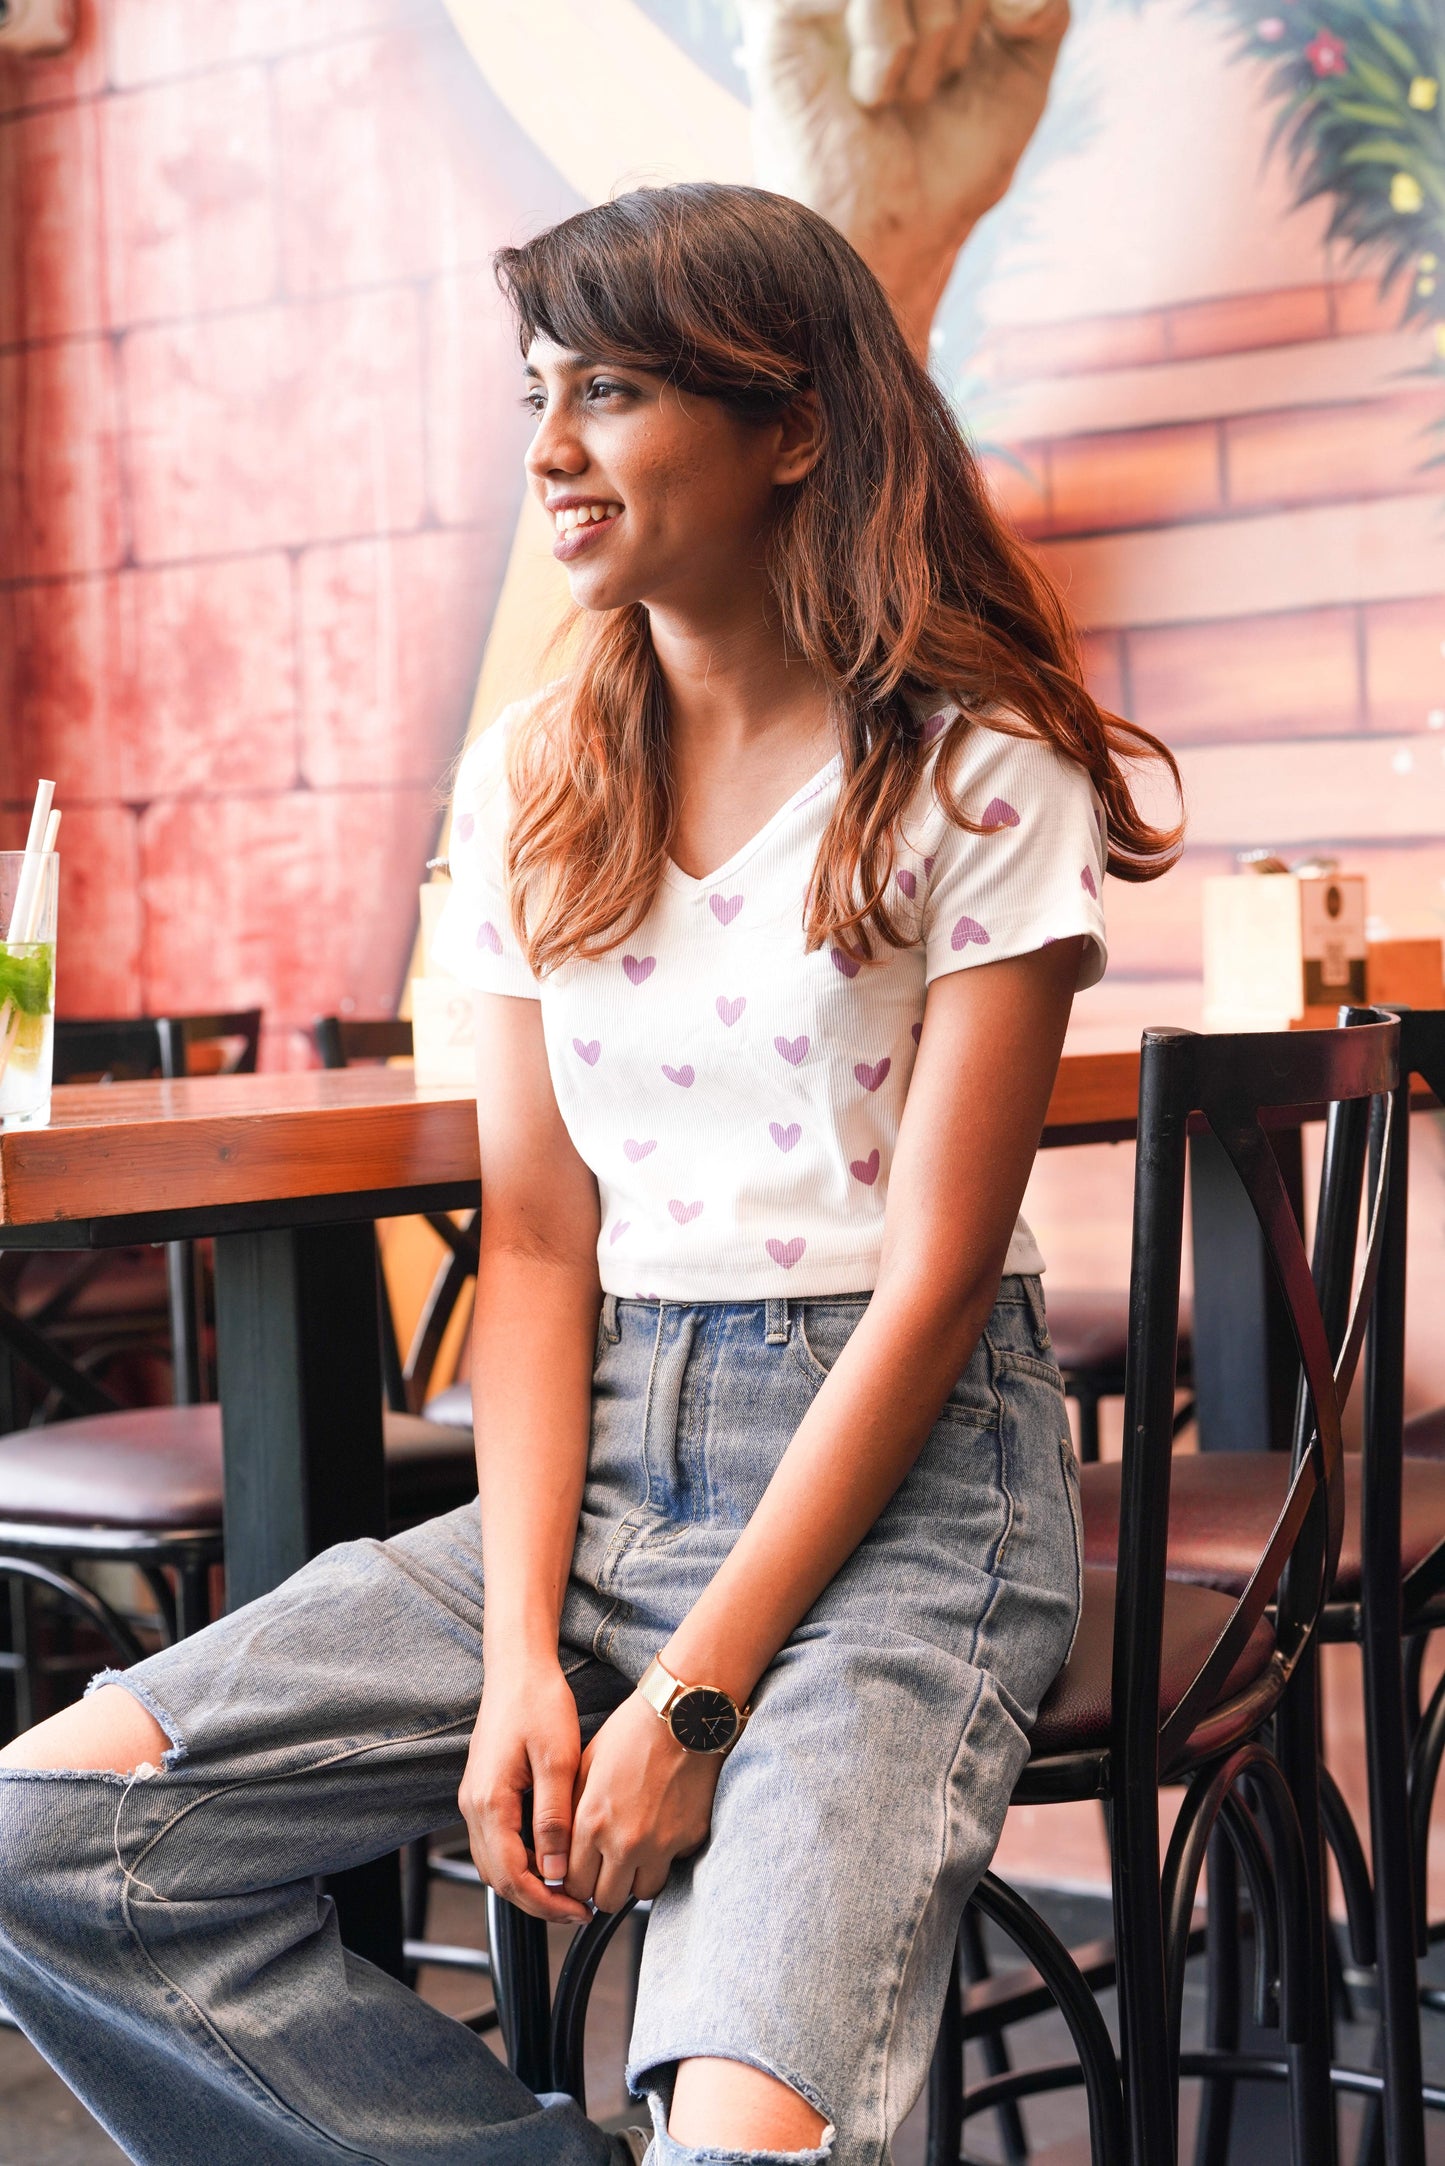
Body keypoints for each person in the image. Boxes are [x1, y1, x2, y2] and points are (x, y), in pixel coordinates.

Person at [0, 183, 1180, 2166]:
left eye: (613, 390)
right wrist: (523, 1658)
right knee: (46, 1837)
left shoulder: (982, 769)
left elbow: (931, 1279)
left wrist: (693, 1708)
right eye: (541, 389)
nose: (549, 447)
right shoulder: (538, 777)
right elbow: (539, 1242)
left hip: (904, 1500)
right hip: (602, 1452)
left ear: (790, 425)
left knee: (742, 2137)